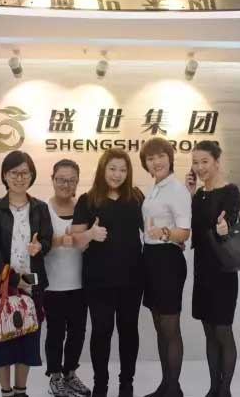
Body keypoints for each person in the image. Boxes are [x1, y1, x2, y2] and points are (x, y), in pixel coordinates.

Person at [0, 151, 53, 397]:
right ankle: (6, 391)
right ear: (5, 175)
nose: (19, 178)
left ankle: (21, 391)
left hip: (32, 285)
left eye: (24, 173)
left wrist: (40, 246)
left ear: (32, 176)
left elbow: (47, 240)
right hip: (1, 284)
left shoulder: (40, 208)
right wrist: (14, 279)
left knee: (27, 340)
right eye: (14, 173)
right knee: (1, 338)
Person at [71, 148, 144, 397]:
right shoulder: (88, 200)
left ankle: (127, 384)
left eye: (123, 170)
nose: (117, 174)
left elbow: (153, 226)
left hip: (132, 279)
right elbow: (76, 241)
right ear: (103, 169)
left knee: (128, 331)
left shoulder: (136, 197)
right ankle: (100, 385)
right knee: (101, 332)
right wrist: (90, 234)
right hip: (98, 280)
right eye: (112, 168)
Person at [184, 141, 240, 397]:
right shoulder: (198, 195)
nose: (199, 167)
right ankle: (213, 388)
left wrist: (224, 228)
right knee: (208, 331)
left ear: (217, 161)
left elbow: (230, 221)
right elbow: (193, 229)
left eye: (204, 161)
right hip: (202, 270)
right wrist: (189, 194)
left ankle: (225, 390)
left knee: (222, 330)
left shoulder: (230, 191)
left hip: (223, 270)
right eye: (195, 163)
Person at [139, 138, 191, 397]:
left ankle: (172, 389)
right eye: (150, 158)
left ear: (170, 158)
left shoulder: (176, 189)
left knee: (170, 328)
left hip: (168, 262)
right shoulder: (155, 189)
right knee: (160, 326)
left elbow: (185, 232)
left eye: (160, 156)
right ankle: (167, 385)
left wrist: (166, 232)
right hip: (151, 259)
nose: (156, 162)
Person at [44, 159, 91, 397]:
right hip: (52, 284)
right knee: (55, 333)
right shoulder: (43, 208)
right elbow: (39, 243)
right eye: (61, 179)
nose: (66, 184)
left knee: (77, 333)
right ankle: (55, 376)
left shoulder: (84, 207)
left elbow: (90, 239)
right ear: (52, 180)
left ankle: (70, 373)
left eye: (71, 180)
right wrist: (60, 240)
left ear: (77, 182)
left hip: (81, 283)